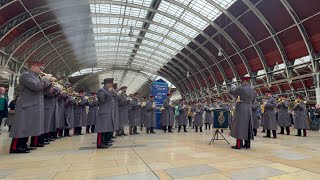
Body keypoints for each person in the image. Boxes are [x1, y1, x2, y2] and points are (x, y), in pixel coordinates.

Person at [9, 61, 52, 153]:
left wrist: (49, 83)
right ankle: (15, 147)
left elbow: (42, 91)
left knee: (28, 127)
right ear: (33, 66)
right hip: (26, 105)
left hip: (33, 105)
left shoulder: (36, 77)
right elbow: (36, 86)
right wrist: (45, 80)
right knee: (21, 127)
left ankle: (23, 145)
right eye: (40, 68)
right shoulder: (26, 75)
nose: (41, 70)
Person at [229, 75, 256, 149]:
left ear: (243, 81)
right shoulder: (253, 90)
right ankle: (247, 144)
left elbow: (231, 92)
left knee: (239, 127)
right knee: (247, 126)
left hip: (241, 109)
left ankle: (239, 145)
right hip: (249, 109)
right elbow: (253, 101)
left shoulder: (242, 88)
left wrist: (232, 86)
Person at [95, 78, 116, 148]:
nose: (111, 85)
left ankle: (105, 142)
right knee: (102, 129)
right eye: (110, 84)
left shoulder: (107, 91)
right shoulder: (101, 91)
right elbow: (102, 100)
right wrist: (109, 92)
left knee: (107, 129)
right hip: (103, 113)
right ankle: (100, 143)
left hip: (108, 113)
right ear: (107, 84)